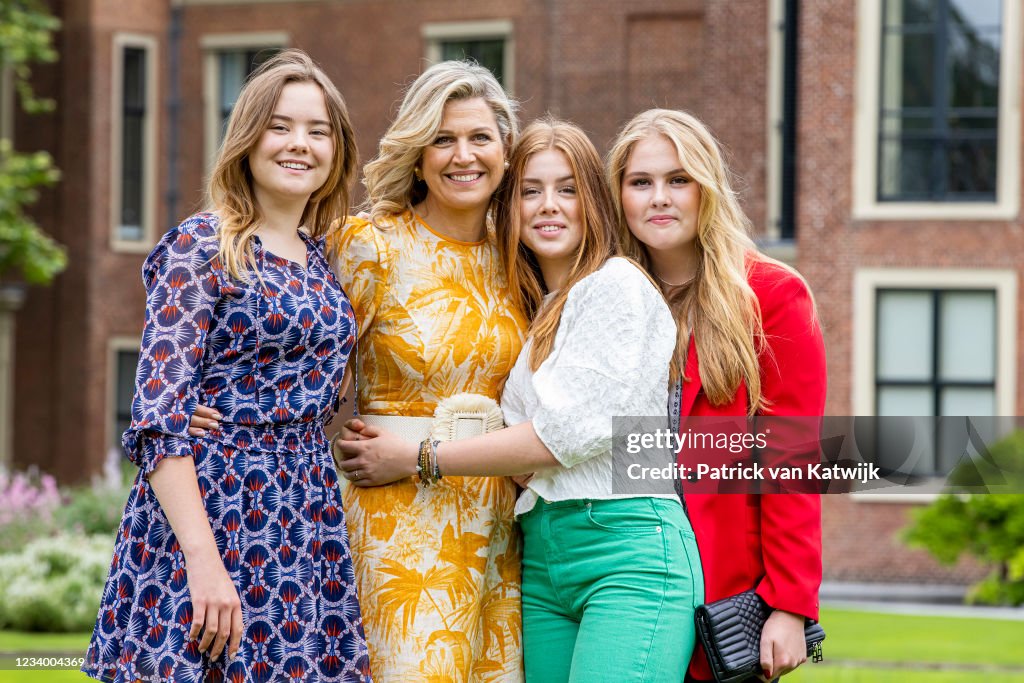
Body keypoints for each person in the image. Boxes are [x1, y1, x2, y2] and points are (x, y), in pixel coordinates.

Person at [336, 119, 704, 683]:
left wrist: (418, 457)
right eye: (531, 191)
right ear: (509, 207)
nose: (548, 206)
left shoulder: (617, 285)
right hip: (539, 553)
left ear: (595, 203)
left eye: (568, 189)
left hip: (625, 548)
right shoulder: (532, 308)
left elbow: (564, 438)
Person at [82, 49, 372, 682]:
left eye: (318, 131)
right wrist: (203, 563)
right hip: (214, 512)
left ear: (338, 150)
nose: (300, 144)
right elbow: (158, 420)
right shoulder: (202, 245)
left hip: (303, 516)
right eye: (281, 126)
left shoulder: (324, 261)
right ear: (246, 138)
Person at [606, 108, 826, 683]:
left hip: (721, 594)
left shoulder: (772, 296)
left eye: (678, 179)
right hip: (622, 581)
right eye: (640, 182)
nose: (660, 198)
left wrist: (789, 604)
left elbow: (792, 459)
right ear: (618, 196)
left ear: (707, 188)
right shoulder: (603, 298)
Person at [331, 62, 528, 681]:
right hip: (399, 522)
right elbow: (298, 362)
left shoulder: (523, 256)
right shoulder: (371, 244)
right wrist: (216, 408)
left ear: (505, 151)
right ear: (418, 157)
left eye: (479, 138)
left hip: (501, 526)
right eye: (443, 140)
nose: (462, 156)